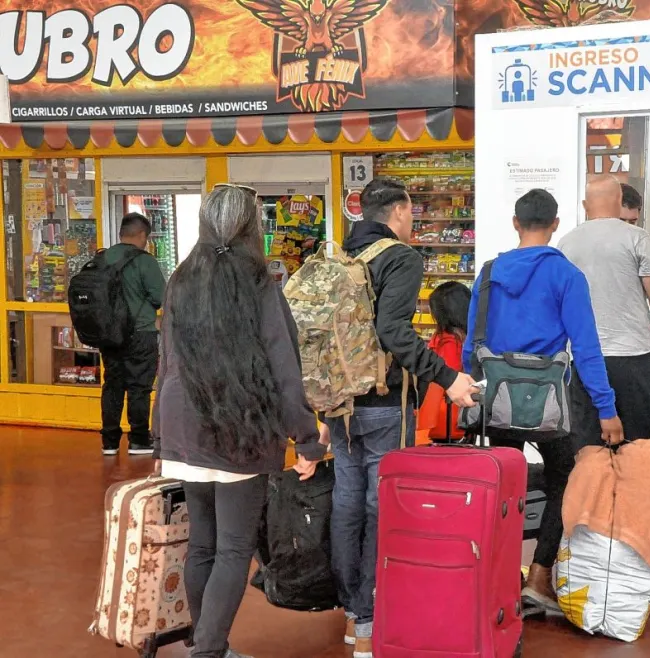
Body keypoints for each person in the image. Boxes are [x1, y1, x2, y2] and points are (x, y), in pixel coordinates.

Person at [300, 178, 477, 658]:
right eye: (411, 213)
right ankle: (372, 618)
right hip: (382, 404)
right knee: (383, 508)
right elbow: (393, 331)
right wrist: (447, 377)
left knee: (347, 502)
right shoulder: (400, 258)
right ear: (399, 211)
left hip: (339, 403)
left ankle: (353, 616)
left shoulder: (336, 255)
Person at [151, 185, 326, 658]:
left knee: (203, 543)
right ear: (252, 226)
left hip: (182, 426)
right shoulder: (258, 281)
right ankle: (208, 651)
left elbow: (165, 362)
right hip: (240, 427)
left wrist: (160, 435)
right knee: (232, 547)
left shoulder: (180, 278)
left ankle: (203, 642)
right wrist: (307, 441)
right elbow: (283, 365)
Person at [463, 188, 623, 612]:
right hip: (550, 400)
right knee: (562, 475)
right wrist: (606, 410)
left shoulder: (490, 271)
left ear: (516, 223)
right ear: (555, 225)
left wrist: (466, 387)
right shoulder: (567, 276)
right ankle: (538, 576)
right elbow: (587, 350)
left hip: (495, 398)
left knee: (501, 484)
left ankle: (497, 577)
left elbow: (470, 343)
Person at [559, 176, 650, 445]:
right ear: (619, 201)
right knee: (641, 448)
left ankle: (595, 489)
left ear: (586, 205)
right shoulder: (637, 238)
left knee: (589, 452)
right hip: (633, 360)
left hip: (584, 362)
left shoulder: (566, 243)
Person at [100, 212, 166, 456]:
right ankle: (138, 439)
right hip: (141, 333)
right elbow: (161, 297)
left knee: (113, 384)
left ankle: (109, 441)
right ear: (141, 235)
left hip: (109, 335)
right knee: (139, 386)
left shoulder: (103, 258)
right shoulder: (144, 261)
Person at [418, 282, 472, 441]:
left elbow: (443, 380)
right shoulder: (467, 338)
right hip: (460, 415)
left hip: (443, 419)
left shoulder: (448, 341)